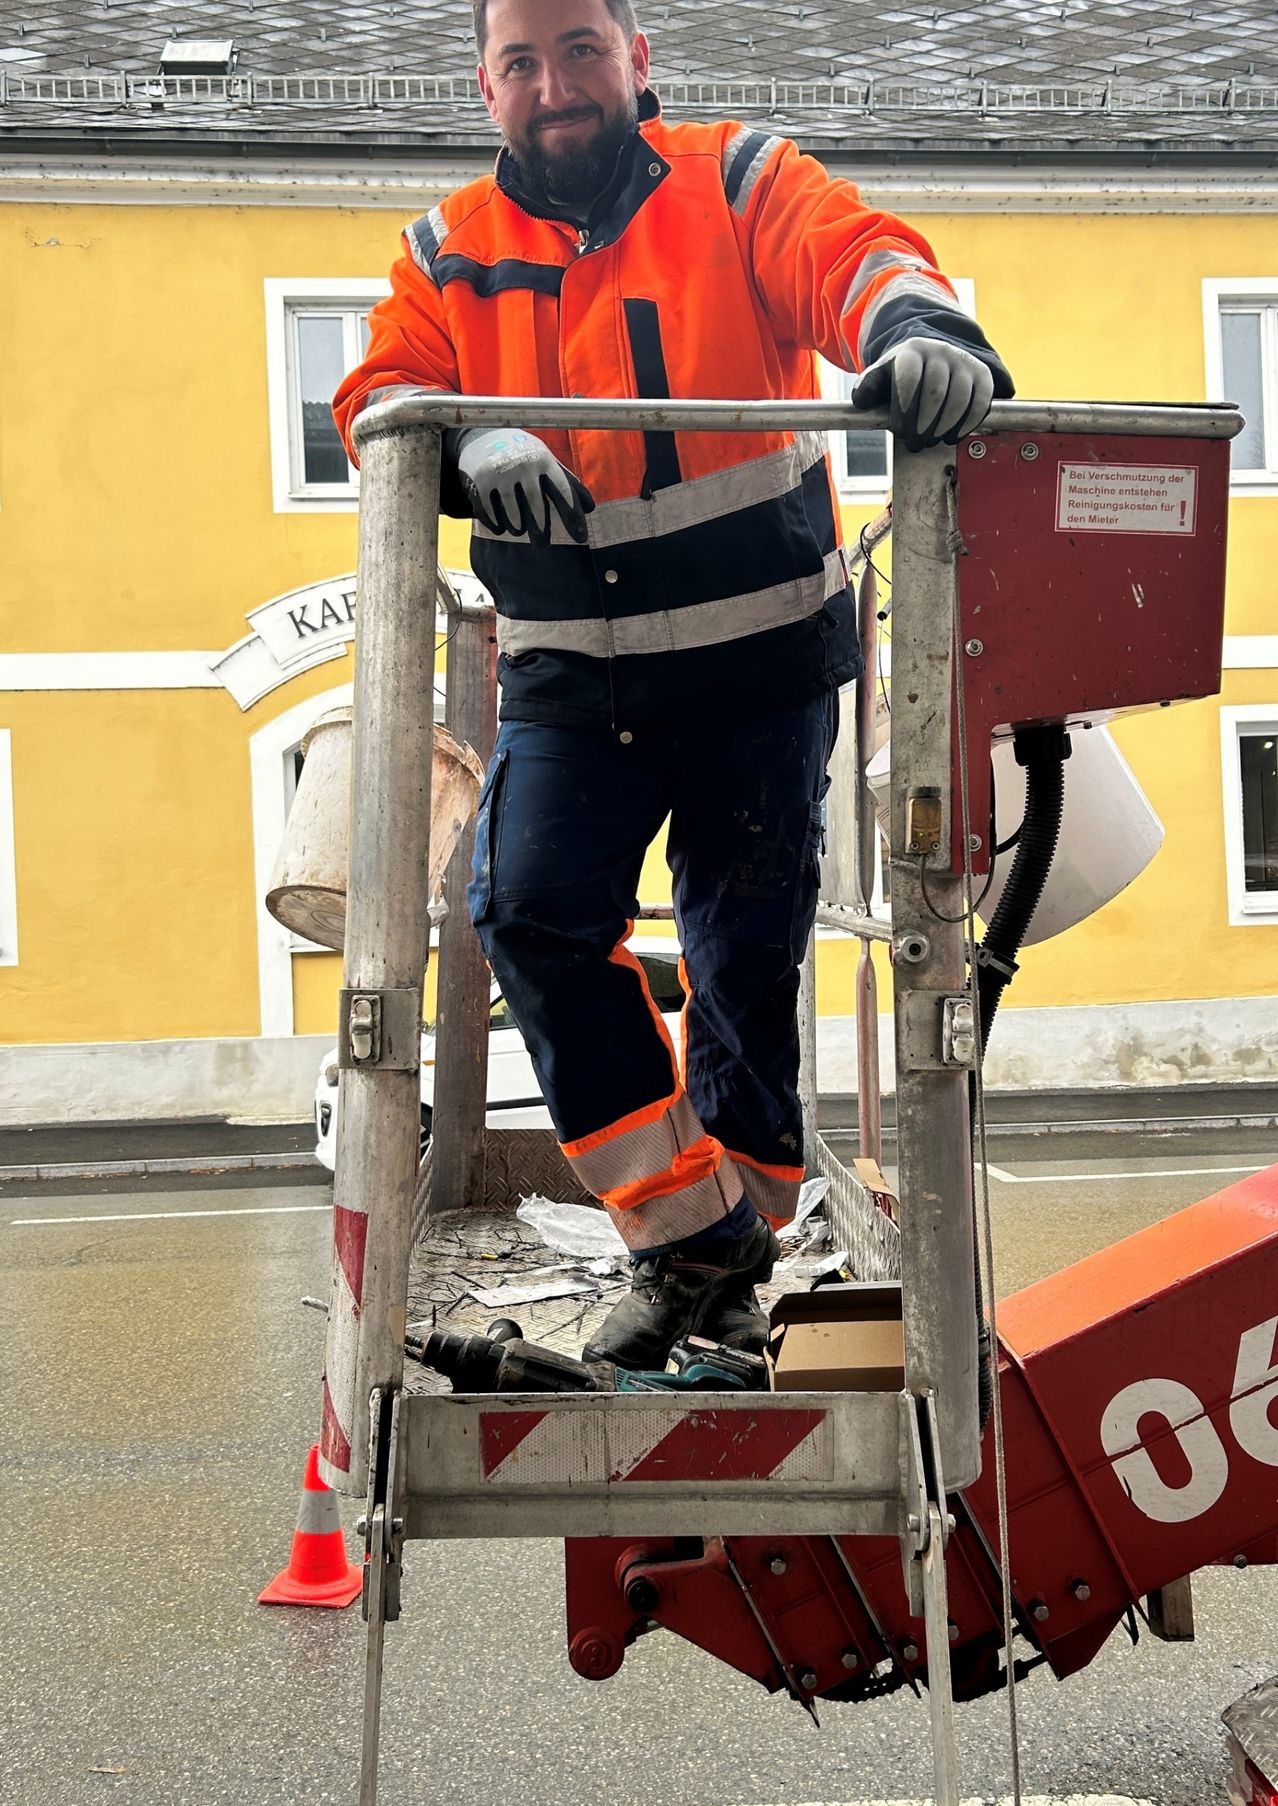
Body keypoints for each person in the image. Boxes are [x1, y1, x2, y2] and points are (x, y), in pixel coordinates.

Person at [333, 0, 1013, 1368]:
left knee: (744, 967)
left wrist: (922, 330)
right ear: (485, 87)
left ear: (637, 62)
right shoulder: (443, 250)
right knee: (523, 913)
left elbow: (856, 258)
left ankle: (729, 1272)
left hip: (759, 666)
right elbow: (377, 399)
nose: (554, 84)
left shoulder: (736, 182)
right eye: (521, 61)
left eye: (581, 48)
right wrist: (464, 443)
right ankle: (688, 1236)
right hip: (576, 681)